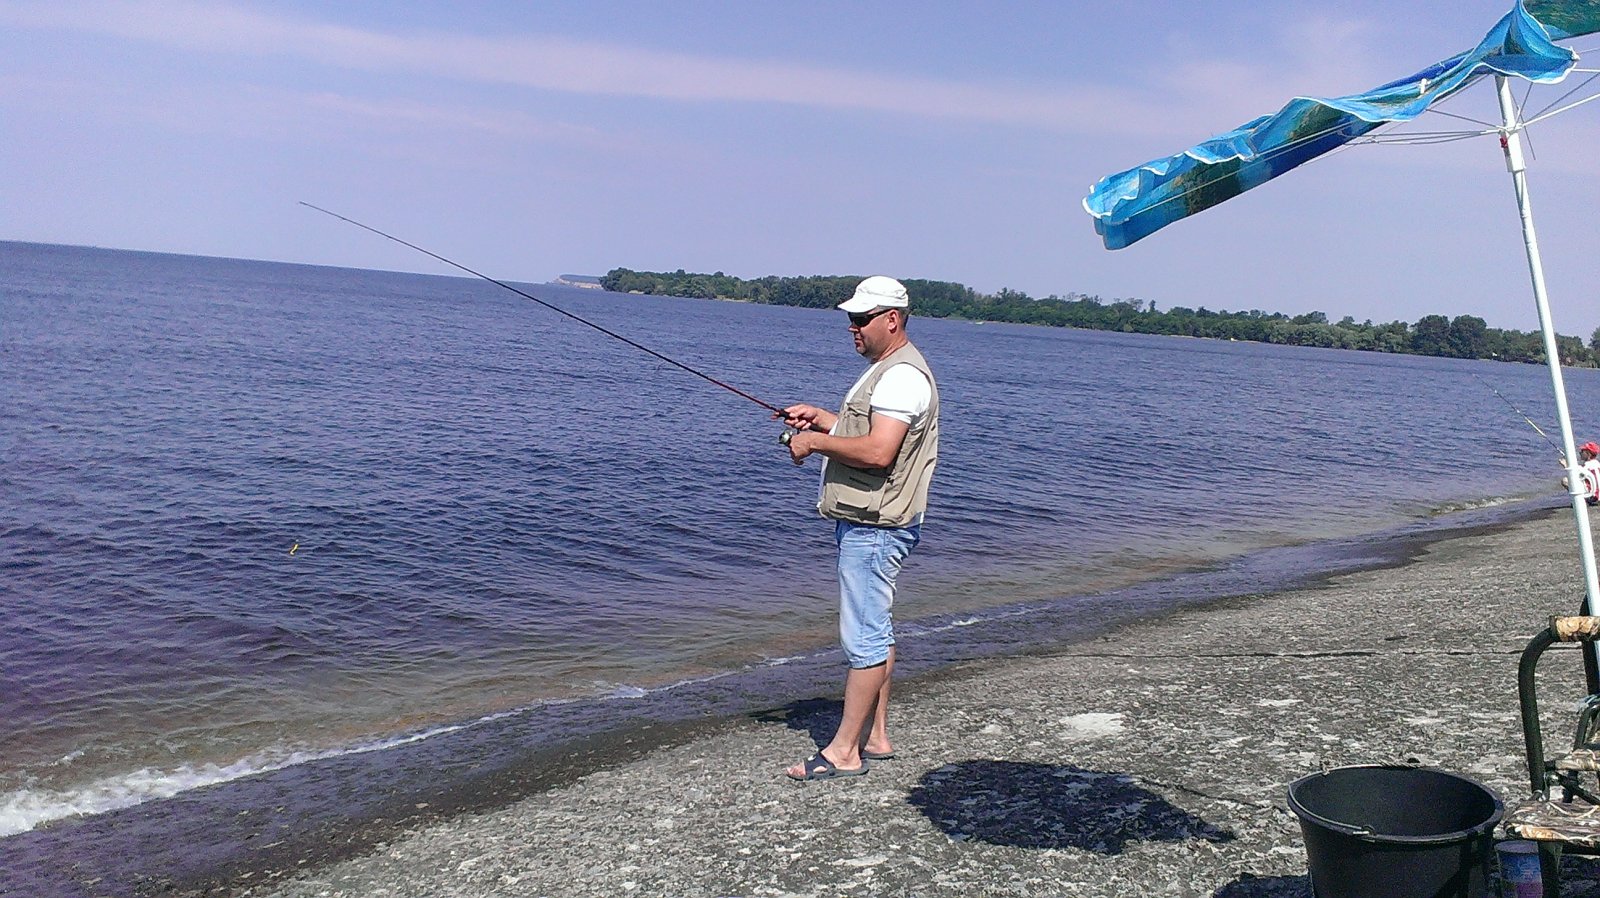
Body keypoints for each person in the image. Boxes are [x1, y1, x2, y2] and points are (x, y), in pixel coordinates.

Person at [779, 275, 940, 782]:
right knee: (877, 628)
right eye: (850, 319)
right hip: (878, 524)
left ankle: (844, 752)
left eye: (861, 319)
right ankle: (876, 736)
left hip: (875, 528)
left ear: (891, 319)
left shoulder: (900, 377)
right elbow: (872, 433)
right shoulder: (891, 371)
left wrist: (813, 443)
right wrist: (824, 420)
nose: (852, 327)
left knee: (864, 639)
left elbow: (877, 451)